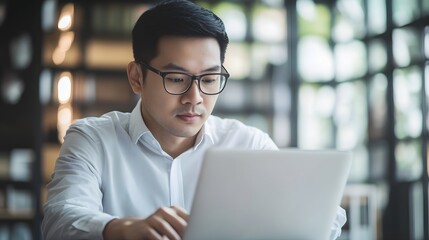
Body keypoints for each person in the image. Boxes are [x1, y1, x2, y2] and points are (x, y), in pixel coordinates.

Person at [41, 0, 347, 239]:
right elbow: (60, 220)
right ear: (137, 77)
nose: (195, 97)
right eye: (176, 78)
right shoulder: (93, 139)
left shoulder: (248, 144)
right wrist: (121, 230)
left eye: (210, 79)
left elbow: (325, 220)